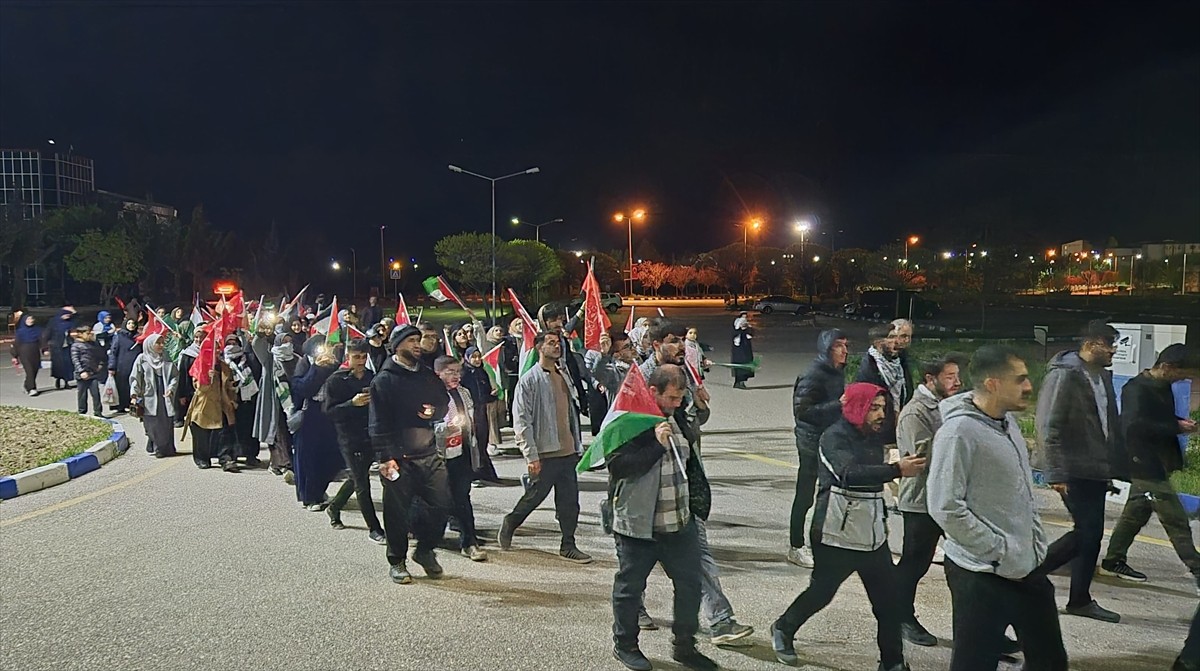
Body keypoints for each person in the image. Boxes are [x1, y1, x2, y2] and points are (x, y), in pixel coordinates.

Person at [928, 345, 1068, 671]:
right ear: (993, 384)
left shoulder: (1008, 424)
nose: (1029, 386)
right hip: (981, 574)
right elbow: (945, 507)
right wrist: (998, 550)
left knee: (1050, 661)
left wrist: (1031, 545)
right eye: (1020, 379)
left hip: (1025, 566)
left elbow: (1022, 495)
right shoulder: (958, 433)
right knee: (974, 664)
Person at [771, 383, 923, 671]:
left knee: (888, 603)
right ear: (857, 407)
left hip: (871, 535)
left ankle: (892, 662)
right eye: (873, 408)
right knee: (822, 592)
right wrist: (897, 470)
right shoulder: (833, 437)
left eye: (882, 408)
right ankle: (783, 627)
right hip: (835, 534)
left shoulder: (873, 435)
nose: (881, 415)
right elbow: (848, 473)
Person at [607, 364, 718, 671]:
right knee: (630, 588)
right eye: (671, 398)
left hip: (679, 522)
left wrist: (698, 407)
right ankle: (625, 645)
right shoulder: (630, 420)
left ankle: (684, 646)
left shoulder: (678, 415)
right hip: (640, 526)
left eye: (680, 397)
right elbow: (619, 467)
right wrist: (656, 445)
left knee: (690, 585)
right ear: (652, 391)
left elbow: (690, 453)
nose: (676, 403)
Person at [1035, 319, 1128, 623]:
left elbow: (1107, 425)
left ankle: (1080, 599)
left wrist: (1113, 467)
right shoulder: (1065, 375)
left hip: (1094, 468)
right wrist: (1056, 472)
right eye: (1108, 344)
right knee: (1086, 532)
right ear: (1090, 344)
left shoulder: (1102, 376)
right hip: (1072, 467)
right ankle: (1029, 574)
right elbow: (1048, 424)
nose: (1113, 350)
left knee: (1092, 535)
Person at [1101, 344, 1200, 589]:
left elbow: (1157, 419)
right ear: (1166, 367)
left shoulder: (1162, 385)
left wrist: (1179, 423)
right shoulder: (1136, 389)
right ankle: (1198, 569)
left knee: (1136, 513)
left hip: (1157, 461)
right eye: (1181, 374)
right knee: (1176, 520)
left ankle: (1113, 560)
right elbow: (1134, 427)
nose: (1182, 379)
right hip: (1143, 463)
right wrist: (1176, 427)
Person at [498, 331, 592, 564]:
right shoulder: (529, 380)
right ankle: (511, 522)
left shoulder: (563, 374)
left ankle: (568, 544)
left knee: (569, 502)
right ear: (539, 348)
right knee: (534, 496)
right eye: (551, 343)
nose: (556, 346)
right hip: (545, 453)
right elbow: (521, 420)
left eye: (558, 343)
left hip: (568, 451)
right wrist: (531, 455)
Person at [894, 352, 967, 646]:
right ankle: (900, 616)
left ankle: (980, 628)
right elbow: (922, 458)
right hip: (921, 500)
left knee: (966, 563)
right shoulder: (915, 413)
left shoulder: (948, 405)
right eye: (950, 376)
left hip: (950, 497)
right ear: (930, 379)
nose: (957, 382)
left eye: (957, 376)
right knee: (915, 563)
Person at [370, 324, 453, 584]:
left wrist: (435, 411)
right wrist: (385, 457)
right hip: (398, 458)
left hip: (429, 453)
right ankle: (397, 561)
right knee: (396, 514)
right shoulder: (384, 380)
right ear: (397, 346)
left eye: (419, 339)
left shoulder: (426, 375)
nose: (417, 345)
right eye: (411, 341)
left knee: (442, 505)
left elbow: (443, 402)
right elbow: (377, 422)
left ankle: (425, 550)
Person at [788, 328, 850, 569]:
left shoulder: (836, 371)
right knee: (805, 494)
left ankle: (827, 543)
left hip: (830, 438)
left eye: (846, 345)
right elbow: (802, 412)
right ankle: (796, 546)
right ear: (827, 349)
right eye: (839, 346)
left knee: (832, 492)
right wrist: (838, 405)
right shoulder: (813, 374)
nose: (845, 350)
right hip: (810, 440)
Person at [322, 339, 386, 545]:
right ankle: (374, 528)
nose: (360, 361)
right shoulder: (336, 380)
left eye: (364, 357)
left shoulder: (371, 377)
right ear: (348, 357)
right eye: (356, 357)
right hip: (349, 437)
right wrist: (352, 403)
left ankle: (334, 507)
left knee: (357, 477)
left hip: (371, 434)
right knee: (362, 483)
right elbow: (329, 411)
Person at [433, 355, 488, 561]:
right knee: (437, 499)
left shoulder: (464, 392)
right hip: (440, 456)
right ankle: (429, 536)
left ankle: (469, 541)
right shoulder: (432, 395)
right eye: (450, 372)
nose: (456, 376)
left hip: (462, 453)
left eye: (458, 371)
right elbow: (426, 425)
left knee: (462, 496)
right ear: (438, 374)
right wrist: (444, 429)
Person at [290, 336, 342, 511]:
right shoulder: (305, 363)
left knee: (331, 456)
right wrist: (317, 368)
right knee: (309, 458)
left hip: (330, 413)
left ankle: (320, 489)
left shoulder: (335, 363)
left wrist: (335, 367)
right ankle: (310, 497)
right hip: (310, 413)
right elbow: (303, 389)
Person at [855, 323, 913, 444]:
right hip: (880, 433)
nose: (896, 341)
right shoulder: (869, 368)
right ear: (878, 343)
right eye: (891, 337)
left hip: (900, 426)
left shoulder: (899, 361)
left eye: (896, 337)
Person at [184, 352, 240, 472]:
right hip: (205, 404)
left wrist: (233, 397)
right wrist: (207, 378)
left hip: (223, 404)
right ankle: (202, 459)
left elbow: (229, 384)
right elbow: (198, 388)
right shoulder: (200, 364)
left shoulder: (224, 365)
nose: (216, 351)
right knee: (202, 435)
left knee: (224, 433)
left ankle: (226, 459)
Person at [129, 333, 179, 458]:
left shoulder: (166, 358)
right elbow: (136, 378)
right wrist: (134, 395)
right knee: (152, 423)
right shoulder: (142, 359)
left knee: (166, 423)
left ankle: (164, 448)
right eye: (158, 343)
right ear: (150, 345)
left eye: (162, 343)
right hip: (149, 397)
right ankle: (154, 444)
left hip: (164, 396)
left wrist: (171, 388)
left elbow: (175, 376)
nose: (161, 345)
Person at [460, 346, 500, 479]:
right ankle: (474, 472)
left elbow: (486, 391)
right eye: (473, 357)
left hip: (481, 410)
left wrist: (492, 395)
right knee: (473, 441)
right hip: (469, 412)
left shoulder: (482, 372)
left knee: (482, 440)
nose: (477, 360)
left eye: (478, 356)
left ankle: (484, 470)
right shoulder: (463, 373)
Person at [223, 333, 262, 467]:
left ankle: (251, 455)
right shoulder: (223, 360)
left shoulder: (248, 358)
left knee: (249, 429)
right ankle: (232, 455)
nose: (232, 346)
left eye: (234, 344)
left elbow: (257, 372)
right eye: (229, 344)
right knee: (231, 430)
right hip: (231, 400)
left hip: (247, 399)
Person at [69, 326, 106, 417]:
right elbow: (75, 360)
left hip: (93, 372)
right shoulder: (76, 346)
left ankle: (98, 412)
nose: (90, 335)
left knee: (96, 393)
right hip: (82, 374)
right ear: (80, 334)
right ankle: (82, 412)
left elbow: (100, 355)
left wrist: (100, 365)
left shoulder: (93, 344)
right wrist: (81, 371)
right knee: (82, 394)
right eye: (87, 333)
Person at [108, 318, 142, 413]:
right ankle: (120, 406)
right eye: (129, 323)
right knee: (122, 387)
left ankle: (131, 404)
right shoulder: (119, 337)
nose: (131, 325)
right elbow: (113, 352)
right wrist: (111, 366)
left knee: (133, 385)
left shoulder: (138, 338)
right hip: (122, 366)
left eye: (133, 323)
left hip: (134, 365)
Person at [176, 327, 206, 428]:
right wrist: (182, 395)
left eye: (202, 337)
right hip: (191, 392)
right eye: (196, 337)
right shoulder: (188, 354)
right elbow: (183, 375)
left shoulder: (210, 352)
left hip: (205, 392)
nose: (199, 340)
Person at [11, 313, 46, 396]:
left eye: (32, 319)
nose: (30, 321)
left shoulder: (37, 330)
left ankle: (27, 385)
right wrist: (14, 356)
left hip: (35, 352)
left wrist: (45, 349)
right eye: (28, 319)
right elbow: (16, 344)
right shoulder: (20, 332)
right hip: (24, 353)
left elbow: (42, 340)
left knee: (34, 370)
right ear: (24, 321)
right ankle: (32, 389)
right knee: (29, 371)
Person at [48, 306, 77, 390]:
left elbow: (78, 320)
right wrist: (45, 347)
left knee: (67, 365)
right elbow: (48, 333)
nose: (68, 316)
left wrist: (74, 311)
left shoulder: (70, 323)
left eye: (69, 315)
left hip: (67, 346)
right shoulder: (54, 322)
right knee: (58, 365)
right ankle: (58, 380)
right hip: (56, 347)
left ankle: (66, 382)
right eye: (66, 315)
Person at [730, 312, 753, 389]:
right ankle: (738, 382)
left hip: (746, 349)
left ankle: (741, 382)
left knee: (746, 364)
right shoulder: (736, 330)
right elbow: (734, 334)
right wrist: (740, 329)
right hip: (739, 350)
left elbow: (751, 334)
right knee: (740, 365)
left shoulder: (746, 330)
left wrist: (747, 328)